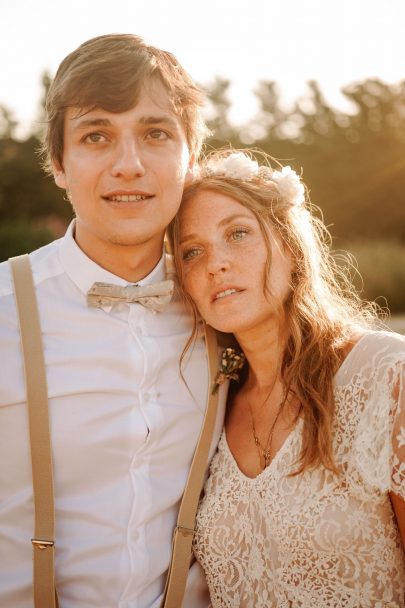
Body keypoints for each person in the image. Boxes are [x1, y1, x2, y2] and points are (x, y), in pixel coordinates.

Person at [0, 34, 223, 607]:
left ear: (189, 158)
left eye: (155, 134)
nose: (129, 165)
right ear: (58, 163)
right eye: (96, 136)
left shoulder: (226, 309)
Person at [168, 149, 405, 606]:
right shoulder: (209, 405)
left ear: (291, 248)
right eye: (192, 252)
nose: (215, 263)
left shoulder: (384, 376)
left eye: (237, 234)